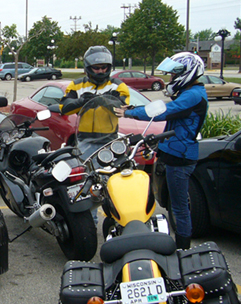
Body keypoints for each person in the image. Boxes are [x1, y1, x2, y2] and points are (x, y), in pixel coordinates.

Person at [115, 52, 208, 250]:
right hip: (173, 153)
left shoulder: (193, 95)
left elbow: (163, 112)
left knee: (179, 208)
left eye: (174, 74)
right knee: (174, 203)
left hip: (180, 157)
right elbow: (171, 118)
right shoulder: (190, 92)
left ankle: (183, 250)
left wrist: (129, 113)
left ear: (187, 73)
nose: (171, 78)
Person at [60, 45, 130, 223]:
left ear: (109, 67)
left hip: (109, 141)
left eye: (104, 67)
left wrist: (104, 101)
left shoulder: (118, 86)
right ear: (88, 67)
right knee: (85, 181)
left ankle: (117, 219)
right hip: (84, 141)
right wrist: (82, 101)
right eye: (96, 68)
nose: (100, 71)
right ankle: (89, 220)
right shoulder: (77, 85)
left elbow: (120, 107)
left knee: (114, 181)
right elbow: (64, 108)